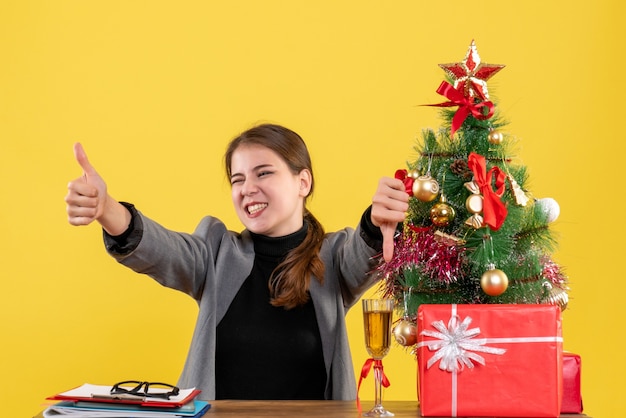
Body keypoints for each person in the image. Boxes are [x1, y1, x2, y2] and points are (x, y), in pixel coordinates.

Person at [65, 123, 409, 400]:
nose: (247, 189)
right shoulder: (216, 250)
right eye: (237, 179)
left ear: (302, 182)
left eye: (263, 174)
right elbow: (164, 251)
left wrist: (377, 221)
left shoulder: (333, 257)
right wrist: (107, 209)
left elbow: (363, 253)